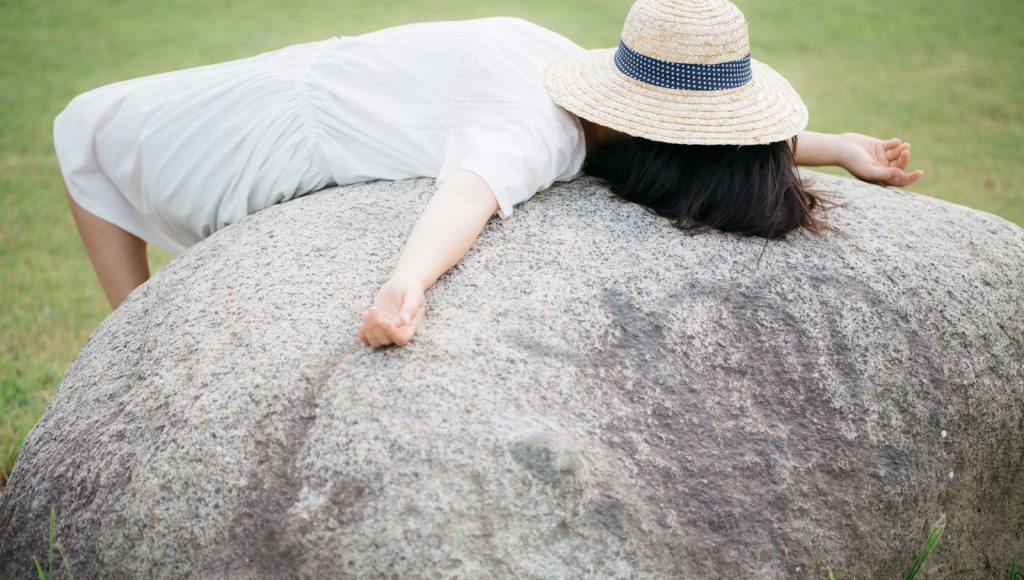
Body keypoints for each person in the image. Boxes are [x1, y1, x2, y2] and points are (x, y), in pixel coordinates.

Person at [54, 0, 922, 349]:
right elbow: (466, 195)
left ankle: (133, 333)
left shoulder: (559, 63)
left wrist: (838, 143)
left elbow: (714, 137)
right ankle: (130, 331)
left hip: (313, 79)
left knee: (90, 127)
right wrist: (407, 283)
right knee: (91, 133)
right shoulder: (534, 130)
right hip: (261, 132)